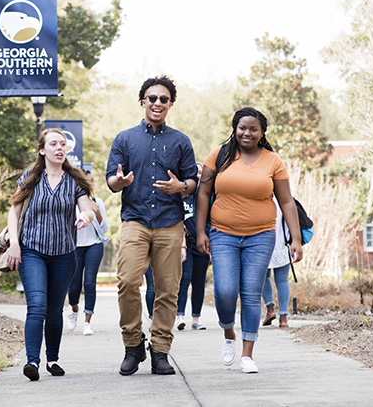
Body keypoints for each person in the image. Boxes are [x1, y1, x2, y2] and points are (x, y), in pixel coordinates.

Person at [195, 107, 303, 374]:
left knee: (252, 294)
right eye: (243, 127)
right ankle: (229, 332)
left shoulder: (273, 161)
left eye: (254, 129)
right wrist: (200, 232)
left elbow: (287, 201)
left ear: (262, 132)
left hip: (261, 235)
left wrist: (296, 239)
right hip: (223, 233)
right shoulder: (219, 156)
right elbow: (203, 192)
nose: (247, 133)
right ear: (235, 128)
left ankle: (247, 354)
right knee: (225, 292)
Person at [106, 75, 198, 376]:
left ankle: (160, 350)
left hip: (170, 223)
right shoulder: (125, 139)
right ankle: (133, 345)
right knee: (128, 281)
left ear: (170, 104)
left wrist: (180, 187)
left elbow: (193, 182)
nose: (157, 103)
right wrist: (119, 182)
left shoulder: (181, 141)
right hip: (135, 219)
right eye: (152, 98)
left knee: (168, 289)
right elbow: (111, 179)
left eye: (163, 99)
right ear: (142, 101)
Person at [6, 129, 95, 382]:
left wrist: (84, 217)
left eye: (62, 144)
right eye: (53, 144)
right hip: (32, 250)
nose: (59, 148)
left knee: (55, 310)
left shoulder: (75, 180)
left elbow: (87, 210)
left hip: (65, 255)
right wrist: (15, 243)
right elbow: (14, 211)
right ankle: (32, 361)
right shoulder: (30, 178)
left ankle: (52, 359)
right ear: (42, 150)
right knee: (37, 306)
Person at [67, 170, 109, 336]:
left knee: (90, 282)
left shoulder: (97, 202)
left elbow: (104, 228)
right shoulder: (71, 203)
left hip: (94, 245)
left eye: (90, 182)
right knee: (74, 285)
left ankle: (87, 323)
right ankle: (74, 309)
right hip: (75, 247)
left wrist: (96, 211)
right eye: (84, 182)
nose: (87, 185)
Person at [176, 162, 211, 331]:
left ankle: (196, 318)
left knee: (199, 281)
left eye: (200, 173)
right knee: (184, 279)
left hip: (203, 244)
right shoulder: (182, 195)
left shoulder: (207, 196)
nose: (197, 176)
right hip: (185, 245)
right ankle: (179, 316)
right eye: (194, 173)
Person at [262, 195, 291, 329]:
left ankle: (270, 309)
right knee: (282, 280)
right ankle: (283, 318)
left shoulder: (259, 198)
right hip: (283, 245)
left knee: (263, 277)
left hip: (263, 243)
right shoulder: (286, 199)